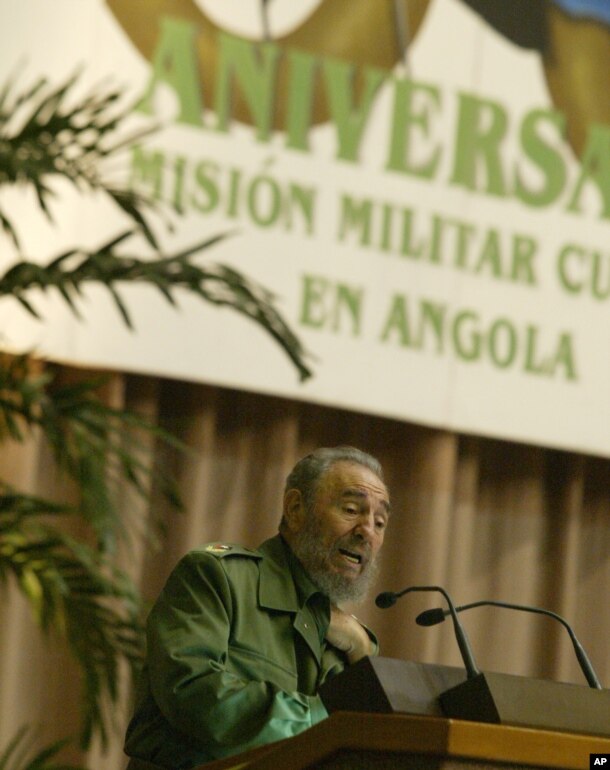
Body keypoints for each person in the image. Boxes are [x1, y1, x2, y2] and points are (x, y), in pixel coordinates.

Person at [124, 445, 391, 770]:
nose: (367, 532)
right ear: (295, 509)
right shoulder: (218, 576)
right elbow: (192, 693)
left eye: (380, 523)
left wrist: (363, 652)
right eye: (351, 509)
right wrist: (325, 721)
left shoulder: (348, 639)